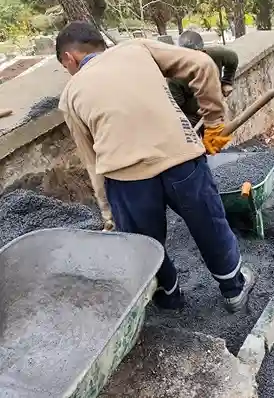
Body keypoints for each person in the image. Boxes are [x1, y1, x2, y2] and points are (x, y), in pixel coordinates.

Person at [56, 21, 255, 312]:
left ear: (69, 59)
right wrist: (213, 122)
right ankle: (234, 290)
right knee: (210, 225)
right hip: (181, 159)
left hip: (126, 178)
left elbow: (91, 160)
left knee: (145, 245)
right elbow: (202, 64)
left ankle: (169, 298)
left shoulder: (70, 96)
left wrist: (108, 212)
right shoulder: (137, 48)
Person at [168, 30, 239, 128]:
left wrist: (227, 82)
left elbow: (233, 59)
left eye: (195, 57)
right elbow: (177, 108)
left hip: (213, 108)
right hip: (190, 115)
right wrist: (197, 112)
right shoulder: (174, 76)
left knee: (219, 137)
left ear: (203, 52)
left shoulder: (215, 55)